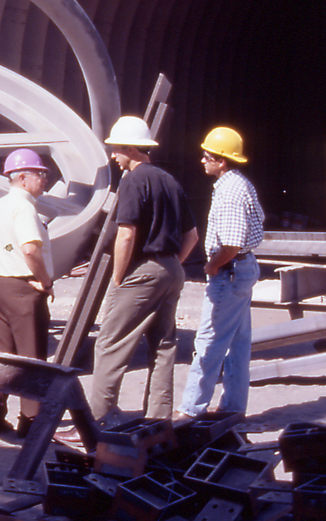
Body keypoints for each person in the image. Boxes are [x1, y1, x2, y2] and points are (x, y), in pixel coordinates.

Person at [81, 116, 198, 430]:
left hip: (142, 270)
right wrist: (171, 266)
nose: (113, 157)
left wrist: (119, 277)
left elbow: (127, 234)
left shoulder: (133, 180)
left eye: (116, 150)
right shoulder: (170, 181)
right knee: (163, 344)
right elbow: (192, 236)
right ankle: (159, 418)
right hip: (172, 268)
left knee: (110, 343)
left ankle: (98, 419)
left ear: (131, 149)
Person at [178, 127, 264, 418]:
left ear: (222, 161)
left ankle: (191, 411)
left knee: (209, 343)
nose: (203, 160)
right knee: (238, 344)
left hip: (229, 271)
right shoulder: (241, 183)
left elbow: (230, 243)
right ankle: (233, 409)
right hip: (243, 269)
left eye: (207, 156)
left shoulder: (228, 193)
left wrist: (212, 265)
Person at [0, 148, 55, 438]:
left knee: (0, 355)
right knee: (31, 357)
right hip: (24, 289)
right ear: (22, 178)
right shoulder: (24, 208)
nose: (45, 179)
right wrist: (45, 282)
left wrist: (3, 270)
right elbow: (29, 250)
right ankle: (31, 421)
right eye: (41, 174)